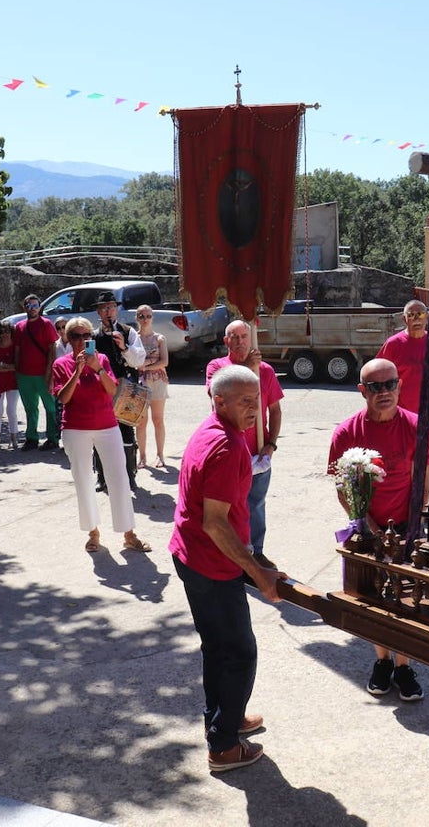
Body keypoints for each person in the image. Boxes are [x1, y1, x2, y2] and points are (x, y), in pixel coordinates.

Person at [169, 364, 287, 773]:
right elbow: (215, 522)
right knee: (239, 653)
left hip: (192, 556)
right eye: (243, 401)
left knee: (217, 647)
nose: (254, 408)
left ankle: (224, 720)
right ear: (218, 401)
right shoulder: (227, 447)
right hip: (208, 563)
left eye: (256, 399)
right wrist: (257, 571)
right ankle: (222, 746)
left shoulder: (216, 430)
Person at [328, 358, 429, 702]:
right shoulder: (347, 432)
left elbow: (424, 481)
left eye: (390, 384)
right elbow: (341, 487)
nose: (385, 392)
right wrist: (367, 523)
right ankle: (382, 662)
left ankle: (404, 666)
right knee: (374, 598)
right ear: (363, 391)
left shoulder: (418, 428)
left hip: (408, 526)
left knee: (405, 597)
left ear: (399, 386)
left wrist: (413, 523)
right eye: (375, 387)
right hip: (367, 527)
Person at [50, 318, 146, 554]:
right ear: (68, 339)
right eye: (76, 336)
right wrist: (78, 371)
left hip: (107, 425)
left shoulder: (101, 359)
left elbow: (113, 390)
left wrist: (98, 369)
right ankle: (93, 532)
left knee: (119, 478)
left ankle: (128, 533)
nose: (82, 340)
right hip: (75, 428)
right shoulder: (61, 364)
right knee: (83, 480)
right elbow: (63, 398)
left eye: (86, 336)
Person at [205, 321, 283, 570]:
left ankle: (256, 551)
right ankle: (232, 553)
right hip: (230, 451)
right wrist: (248, 370)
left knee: (256, 505)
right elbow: (215, 398)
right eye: (233, 337)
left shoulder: (267, 371)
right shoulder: (217, 367)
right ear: (226, 341)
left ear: (251, 339)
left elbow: (275, 410)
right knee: (229, 508)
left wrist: (270, 444)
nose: (239, 341)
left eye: (243, 336)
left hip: (257, 451)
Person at [376, 299, 429, 438]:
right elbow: (377, 378)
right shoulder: (393, 345)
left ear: (427, 317)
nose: (416, 319)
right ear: (404, 319)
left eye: (420, 314)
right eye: (411, 315)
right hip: (399, 419)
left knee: (424, 460)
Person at [91, 291, 146, 494]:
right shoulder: (94, 336)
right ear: (98, 311)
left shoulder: (128, 332)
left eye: (112, 307)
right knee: (99, 432)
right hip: (101, 391)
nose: (108, 311)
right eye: (104, 308)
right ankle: (101, 476)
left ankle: (129, 475)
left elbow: (139, 360)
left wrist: (124, 347)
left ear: (117, 309)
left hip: (125, 390)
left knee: (126, 432)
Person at [14, 294, 60, 452]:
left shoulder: (46, 324)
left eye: (35, 305)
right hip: (24, 375)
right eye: (29, 305)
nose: (32, 308)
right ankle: (31, 438)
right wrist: (17, 371)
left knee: (50, 407)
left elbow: (52, 350)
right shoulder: (19, 326)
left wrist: (50, 374)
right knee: (30, 408)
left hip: (42, 374)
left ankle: (52, 438)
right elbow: (18, 350)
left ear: (39, 307)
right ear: (24, 307)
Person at [132, 304, 170, 469]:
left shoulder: (159, 338)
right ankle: (142, 456)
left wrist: (146, 366)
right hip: (140, 382)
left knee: (158, 419)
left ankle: (160, 455)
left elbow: (165, 361)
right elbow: (132, 361)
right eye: (141, 316)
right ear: (137, 318)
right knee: (141, 421)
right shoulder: (134, 338)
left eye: (148, 316)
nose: (145, 319)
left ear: (152, 317)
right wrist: (152, 361)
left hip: (157, 381)